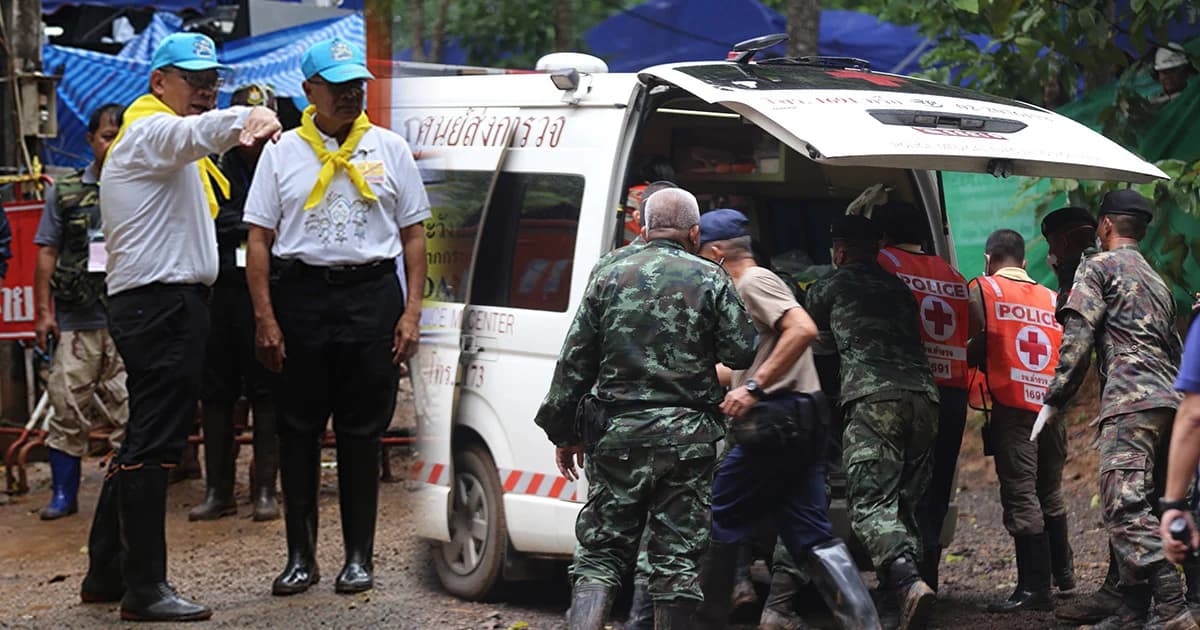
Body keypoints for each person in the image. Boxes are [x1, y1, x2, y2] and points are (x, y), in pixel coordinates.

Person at [80, 32, 281, 622]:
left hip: (166, 304)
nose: (203, 91)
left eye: (211, 81)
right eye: (191, 80)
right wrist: (247, 113)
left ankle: (106, 572)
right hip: (159, 306)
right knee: (154, 443)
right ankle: (144, 588)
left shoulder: (166, 150)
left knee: (143, 435)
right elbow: (192, 133)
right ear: (157, 83)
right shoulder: (147, 133)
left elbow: (194, 138)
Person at [244, 38, 429, 596]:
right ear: (309, 92)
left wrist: (411, 312)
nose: (351, 95)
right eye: (338, 86)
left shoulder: (390, 148)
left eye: (357, 86)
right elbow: (258, 239)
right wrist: (265, 319)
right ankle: (300, 558)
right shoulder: (281, 153)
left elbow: (414, 234)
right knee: (297, 430)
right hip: (300, 298)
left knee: (361, 432)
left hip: (370, 297)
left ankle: (357, 557)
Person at [533, 188, 756, 629]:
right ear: (695, 232)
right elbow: (742, 350)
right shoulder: (710, 277)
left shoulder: (609, 271)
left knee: (600, 553)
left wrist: (564, 431)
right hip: (687, 444)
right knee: (675, 560)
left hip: (617, 438)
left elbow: (575, 359)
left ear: (645, 226)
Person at [693, 209, 879, 630]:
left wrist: (753, 388)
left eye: (700, 252)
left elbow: (803, 330)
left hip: (777, 419)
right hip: (800, 418)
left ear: (718, 253)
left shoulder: (753, 281)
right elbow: (740, 366)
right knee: (809, 531)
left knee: (719, 511)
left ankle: (705, 620)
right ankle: (864, 623)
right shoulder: (741, 289)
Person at [1034, 190, 1197, 630]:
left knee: (1122, 508)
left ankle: (1171, 608)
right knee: (1156, 503)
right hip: (1170, 402)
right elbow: (1176, 348)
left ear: (1105, 225)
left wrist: (1055, 396)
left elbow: (1079, 334)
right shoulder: (1156, 279)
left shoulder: (1097, 266)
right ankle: (1134, 610)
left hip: (1130, 405)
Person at [804, 214, 938, 630]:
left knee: (869, 505)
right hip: (925, 400)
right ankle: (896, 599)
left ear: (839, 252)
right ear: (877, 250)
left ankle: (908, 581)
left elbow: (805, 332)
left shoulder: (831, 284)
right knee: (902, 505)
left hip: (874, 399)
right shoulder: (899, 289)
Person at [189, 83, 281, 522]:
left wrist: (244, 223)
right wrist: (254, 225)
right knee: (216, 393)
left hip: (269, 291)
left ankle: (264, 489)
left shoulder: (285, 160)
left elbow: (284, 217)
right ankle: (217, 491)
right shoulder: (212, 159)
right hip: (221, 290)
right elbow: (210, 217)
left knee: (267, 390)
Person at [965, 229, 1070, 612]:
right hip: (1053, 407)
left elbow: (978, 341)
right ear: (1025, 264)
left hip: (1014, 408)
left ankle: (1033, 589)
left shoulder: (984, 288)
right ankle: (1064, 574)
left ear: (989, 258)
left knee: (1021, 494)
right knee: (1050, 490)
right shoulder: (1050, 297)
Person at [33, 103, 128, 521]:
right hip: (77, 319)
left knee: (130, 410)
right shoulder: (66, 191)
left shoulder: (139, 186)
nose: (114, 144)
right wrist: (42, 313)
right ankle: (63, 495)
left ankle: (126, 494)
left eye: (121, 136)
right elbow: (47, 251)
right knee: (67, 405)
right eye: (107, 136)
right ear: (90, 140)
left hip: (127, 317)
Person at [875, 200, 968, 591]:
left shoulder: (884, 262)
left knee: (893, 489)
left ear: (885, 235)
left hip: (904, 390)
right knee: (935, 490)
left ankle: (899, 585)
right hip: (952, 394)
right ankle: (927, 582)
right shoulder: (952, 273)